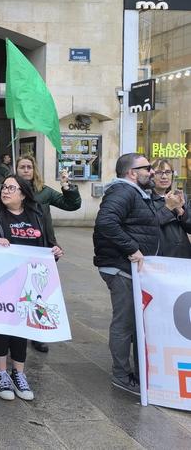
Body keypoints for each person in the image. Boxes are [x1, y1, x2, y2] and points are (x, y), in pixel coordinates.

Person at [0, 174, 63, 401]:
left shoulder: (37, 214)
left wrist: (55, 251)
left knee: (23, 326)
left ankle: (19, 374)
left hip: (29, 282)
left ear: (23, 194)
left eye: (12, 188)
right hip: (2, 282)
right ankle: (1, 372)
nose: (5, 191)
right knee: (3, 326)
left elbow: (49, 243)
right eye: (4, 187)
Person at [93, 153, 160, 396]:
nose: (152, 172)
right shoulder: (123, 191)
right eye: (147, 168)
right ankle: (122, 375)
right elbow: (106, 222)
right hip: (121, 268)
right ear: (132, 173)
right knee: (124, 322)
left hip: (127, 268)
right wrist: (132, 248)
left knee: (132, 322)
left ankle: (133, 372)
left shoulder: (136, 193)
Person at [15, 154, 80, 353]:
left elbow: (71, 205)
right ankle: (15, 330)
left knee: (38, 293)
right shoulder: (9, 190)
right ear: (16, 170)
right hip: (17, 247)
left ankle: (37, 333)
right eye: (22, 167)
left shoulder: (43, 192)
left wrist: (68, 187)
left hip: (41, 247)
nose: (26, 170)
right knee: (18, 292)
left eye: (29, 167)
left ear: (34, 170)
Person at [150, 159, 191, 258]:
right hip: (160, 257)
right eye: (159, 172)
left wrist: (181, 212)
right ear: (150, 176)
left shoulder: (181, 197)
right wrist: (168, 207)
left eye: (168, 172)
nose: (164, 176)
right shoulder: (146, 198)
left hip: (183, 255)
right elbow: (149, 226)